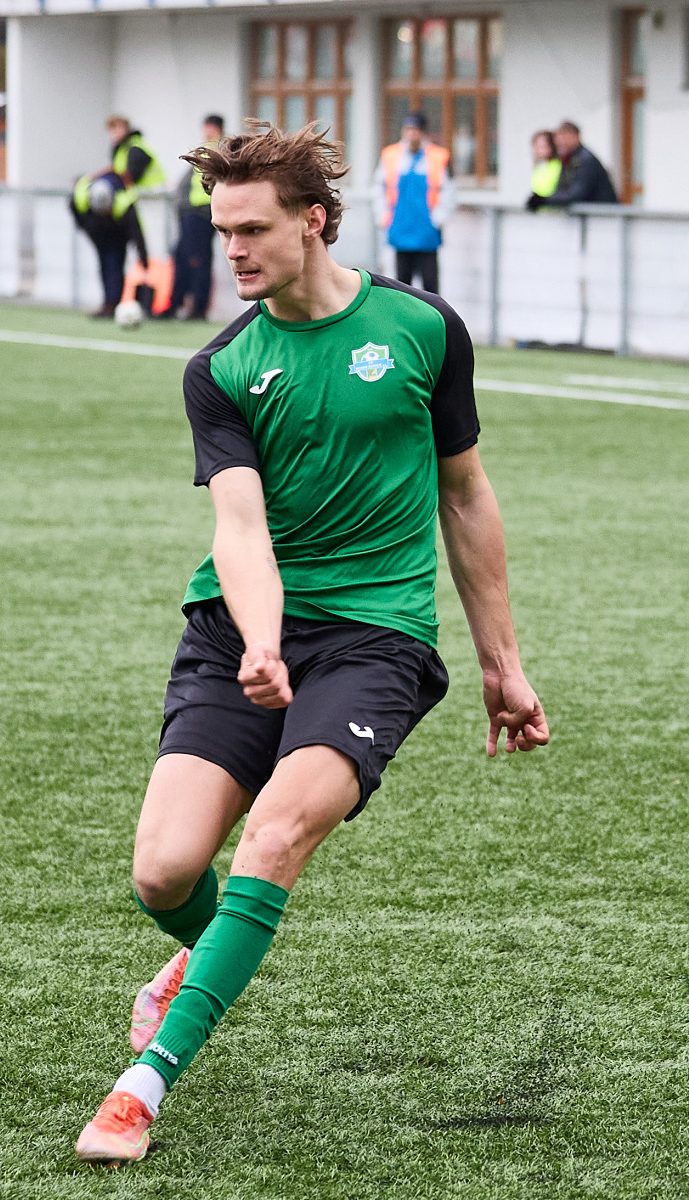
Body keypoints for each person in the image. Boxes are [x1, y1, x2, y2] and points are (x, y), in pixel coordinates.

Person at [71, 121, 549, 1168]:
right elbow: (239, 528)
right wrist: (259, 640)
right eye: (221, 232)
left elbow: (466, 494)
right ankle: (201, 954)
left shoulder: (423, 329)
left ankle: (140, 1092)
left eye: (251, 230)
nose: (232, 251)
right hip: (239, 632)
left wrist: (502, 664)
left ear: (314, 221)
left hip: (376, 638)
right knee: (163, 873)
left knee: (275, 837)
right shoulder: (223, 367)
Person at [371, 112, 455, 294]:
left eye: (415, 130)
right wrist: (382, 216)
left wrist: (439, 218)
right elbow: (379, 188)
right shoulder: (391, 155)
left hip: (427, 232)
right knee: (401, 286)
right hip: (400, 229)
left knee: (430, 286)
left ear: (423, 133)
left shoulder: (438, 157)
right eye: (408, 129)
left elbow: (449, 190)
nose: (411, 134)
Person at [70, 171, 148, 318]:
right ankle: (107, 303)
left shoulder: (124, 203)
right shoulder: (81, 197)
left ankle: (112, 305)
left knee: (114, 265)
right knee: (104, 266)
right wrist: (89, 230)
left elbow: (137, 233)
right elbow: (76, 214)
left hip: (118, 233)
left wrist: (144, 259)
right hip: (97, 231)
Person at [171, 114, 224, 321]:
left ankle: (197, 307)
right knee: (188, 257)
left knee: (198, 260)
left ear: (214, 128)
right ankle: (183, 303)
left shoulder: (216, 149)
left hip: (202, 212)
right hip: (194, 211)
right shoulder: (208, 149)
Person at [534, 121, 617, 208]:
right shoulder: (568, 159)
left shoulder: (585, 160)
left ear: (575, 136)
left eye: (564, 138)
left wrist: (545, 200)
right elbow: (562, 187)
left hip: (600, 212)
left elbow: (578, 193)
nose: (560, 144)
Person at [107, 115, 167, 192]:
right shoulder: (121, 150)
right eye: (111, 131)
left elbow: (131, 176)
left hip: (152, 192)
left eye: (116, 129)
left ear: (125, 128)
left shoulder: (134, 148)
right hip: (142, 193)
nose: (113, 134)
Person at [525, 129, 561, 211]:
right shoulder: (539, 166)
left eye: (541, 146)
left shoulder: (558, 165)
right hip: (542, 212)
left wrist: (541, 199)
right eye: (535, 146)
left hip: (554, 211)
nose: (537, 150)